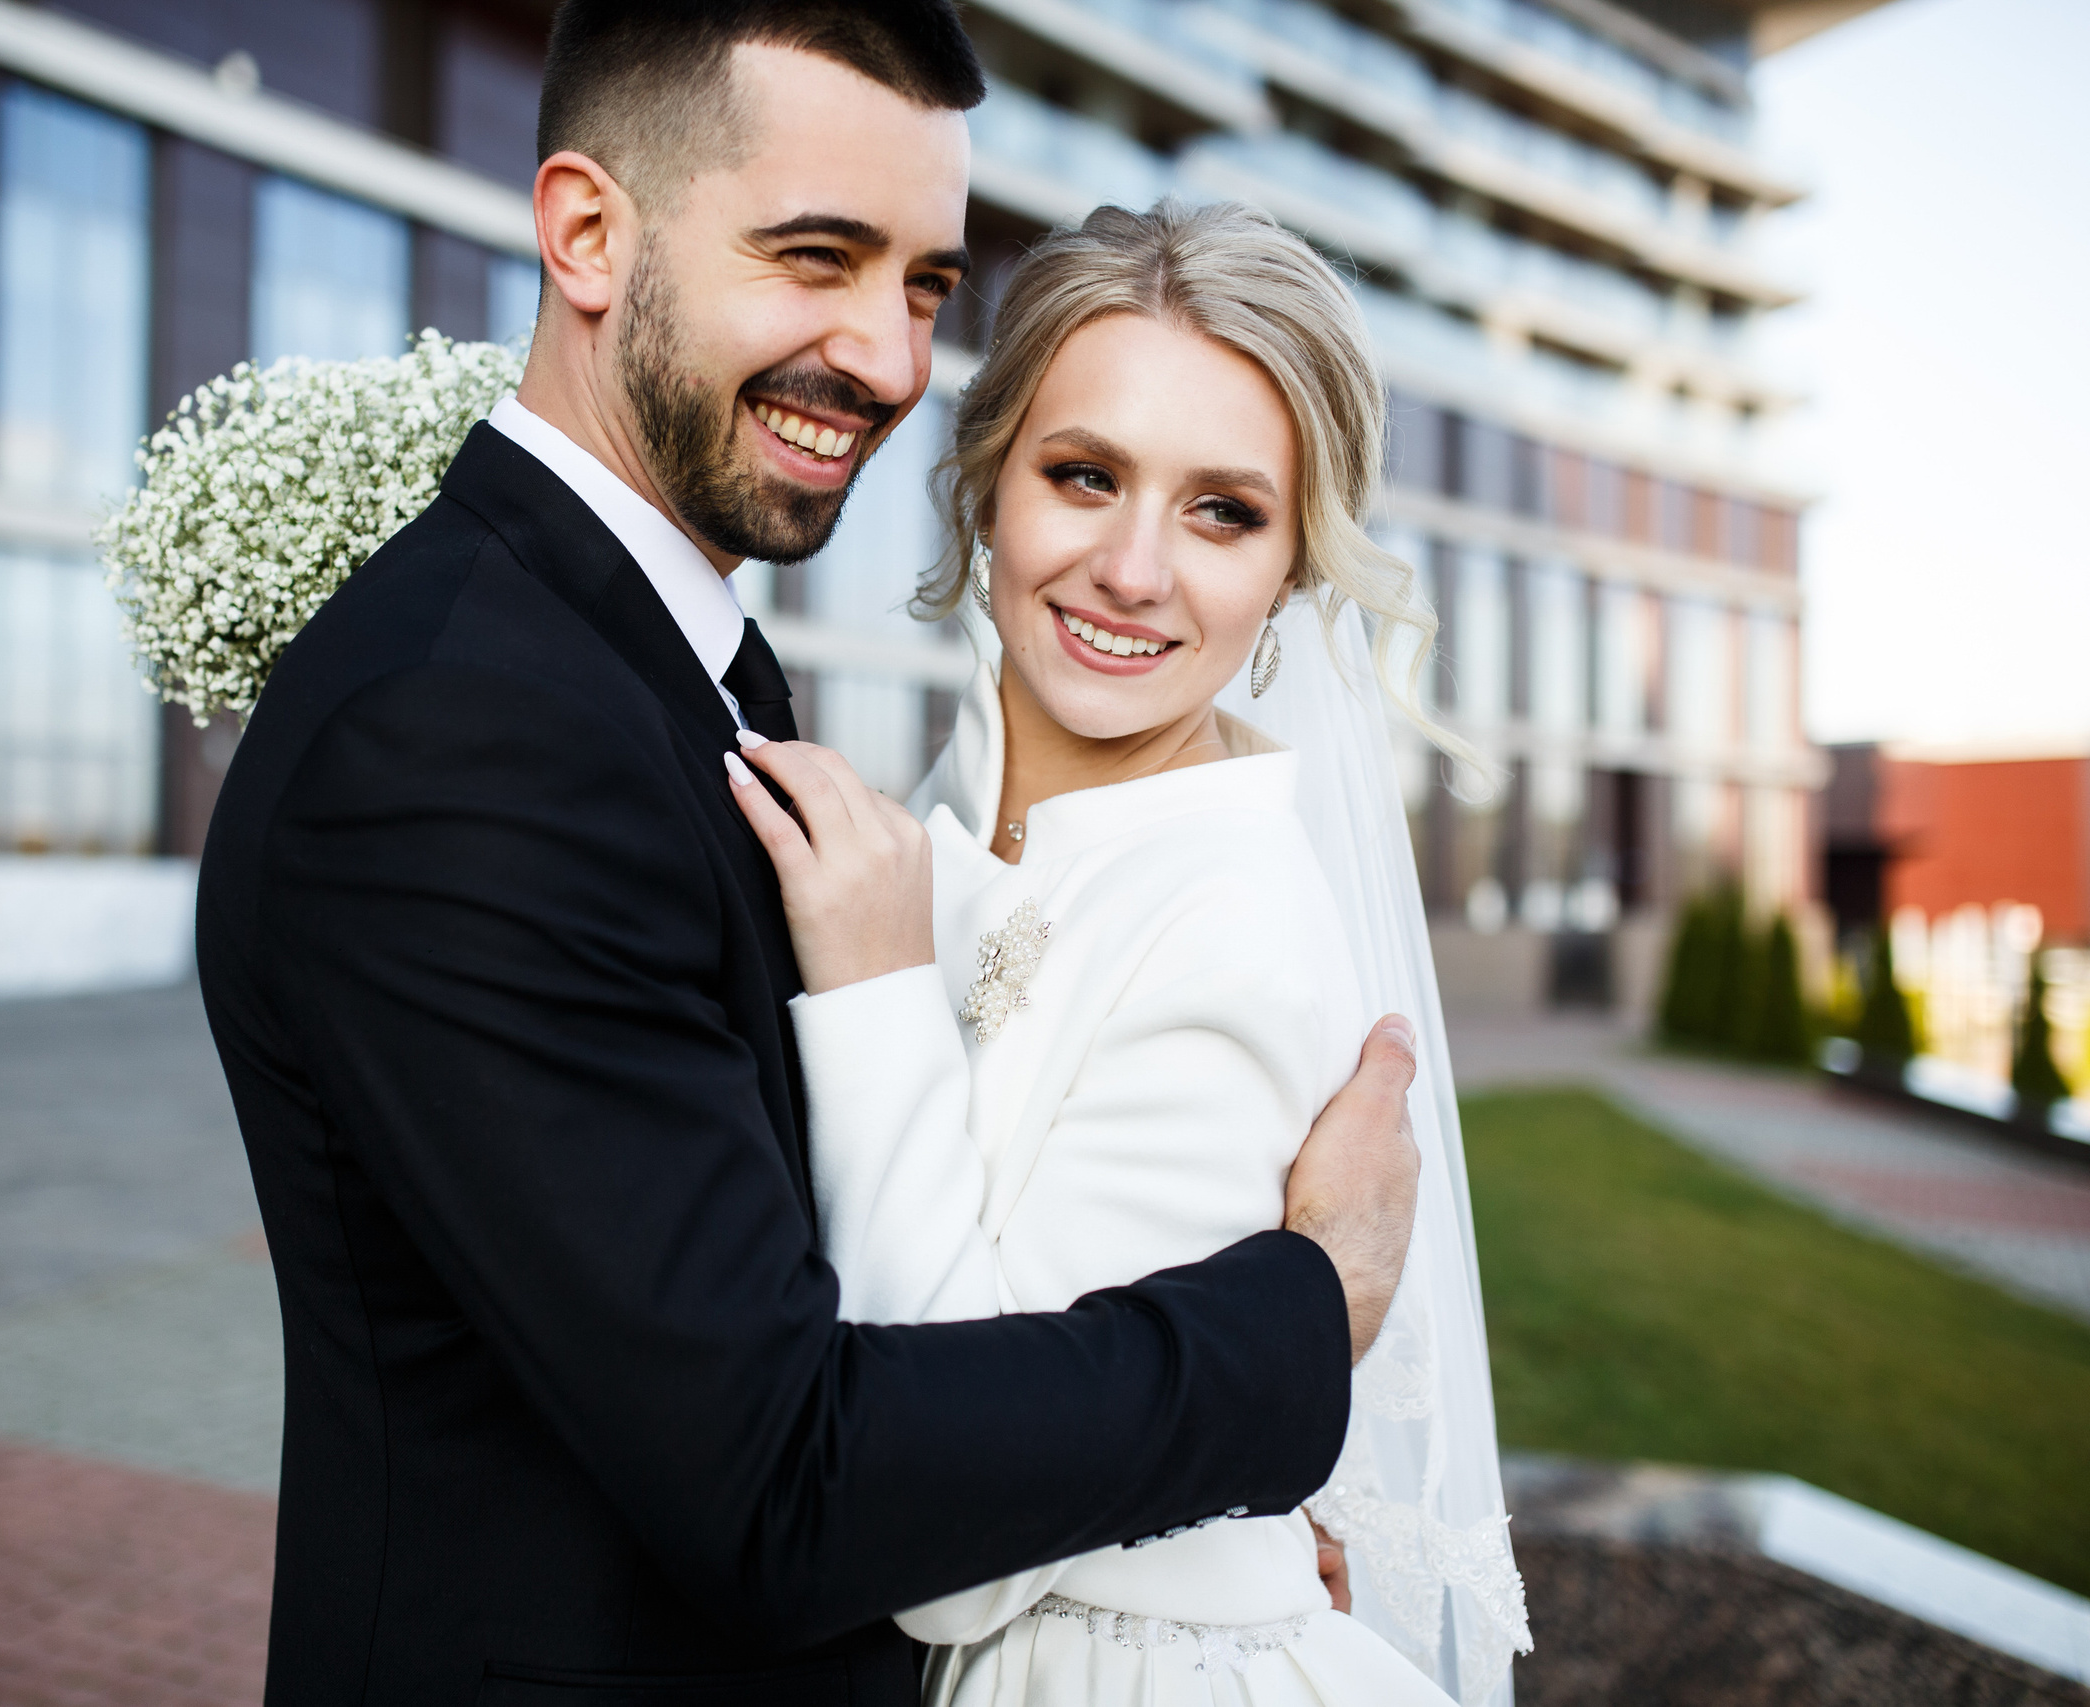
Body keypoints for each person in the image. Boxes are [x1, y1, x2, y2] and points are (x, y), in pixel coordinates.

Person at [195, 6, 1424, 1703]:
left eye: (924, 284)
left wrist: (1203, 1561)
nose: (891, 357)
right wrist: (1302, 1317)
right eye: (817, 257)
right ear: (585, 234)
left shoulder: (674, 667)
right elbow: (779, 1478)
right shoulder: (462, 736)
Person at [726, 202, 1532, 1706]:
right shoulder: (942, 825)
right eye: (1085, 476)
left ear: (1294, 567)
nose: (1133, 567)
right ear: (986, 489)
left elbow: (952, 1528)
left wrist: (880, 991)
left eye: (1224, 510)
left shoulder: (1231, 922)